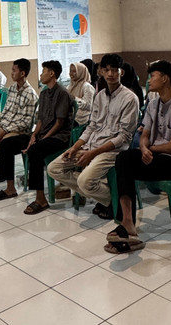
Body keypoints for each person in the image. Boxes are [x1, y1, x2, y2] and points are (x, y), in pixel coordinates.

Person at [105, 61, 171, 254]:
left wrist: (149, 151)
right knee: (123, 159)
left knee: (128, 163)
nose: (149, 80)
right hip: (155, 156)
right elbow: (145, 133)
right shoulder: (153, 104)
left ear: (165, 78)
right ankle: (127, 223)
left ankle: (126, 228)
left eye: (153, 76)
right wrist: (144, 148)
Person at [48, 54, 139, 219]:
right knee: (54, 168)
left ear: (121, 73)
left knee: (84, 181)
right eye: (107, 70)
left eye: (114, 70)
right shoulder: (100, 96)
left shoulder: (130, 98)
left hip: (113, 151)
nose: (110, 74)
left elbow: (124, 137)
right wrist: (76, 147)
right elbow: (92, 126)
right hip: (91, 145)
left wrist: (93, 153)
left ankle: (113, 201)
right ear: (102, 72)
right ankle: (106, 197)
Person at [0, 60, 73, 215]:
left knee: (35, 151)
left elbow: (59, 122)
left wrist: (41, 138)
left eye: (43, 72)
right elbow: (40, 120)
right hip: (42, 134)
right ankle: (10, 188)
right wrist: (34, 135)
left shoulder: (62, 93)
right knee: (7, 143)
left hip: (58, 137)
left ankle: (41, 199)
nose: (40, 75)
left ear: (52, 74)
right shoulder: (43, 93)